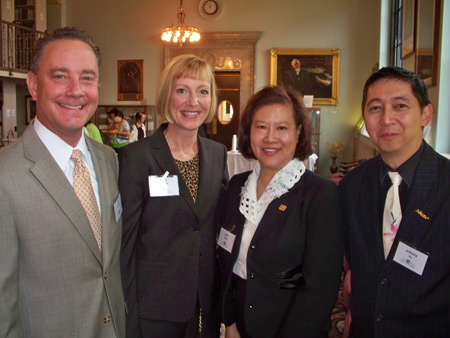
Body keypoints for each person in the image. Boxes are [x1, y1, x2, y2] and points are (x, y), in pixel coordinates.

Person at [0, 27, 125, 337]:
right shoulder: (5, 175)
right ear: (33, 84)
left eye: (86, 77)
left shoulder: (108, 160)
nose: (75, 90)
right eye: (59, 76)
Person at [217, 86, 344, 338]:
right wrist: (229, 321)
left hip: (291, 326)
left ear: (298, 132)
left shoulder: (320, 195)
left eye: (282, 128)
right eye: (261, 126)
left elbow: (321, 289)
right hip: (238, 324)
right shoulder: (236, 186)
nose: (270, 138)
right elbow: (225, 259)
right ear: (248, 132)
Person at [119, 54, 228, 337]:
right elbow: (125, 246)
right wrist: (128, 318)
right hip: (154, 309)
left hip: (205, 304)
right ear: (167, 96)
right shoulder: (136, 157)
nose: (193, 102)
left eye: (203, 92)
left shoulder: (217, 155)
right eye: (182, 90)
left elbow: (220, 228)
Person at [340, 67, 450, 337]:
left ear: (426, 114)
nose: (387, 119)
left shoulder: (446, 184)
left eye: (400, 105)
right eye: (375, 108)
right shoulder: (352, 185)